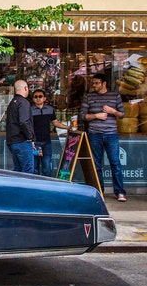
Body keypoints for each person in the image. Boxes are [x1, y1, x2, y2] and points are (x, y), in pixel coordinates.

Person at [79, 73, 127, 201]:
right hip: (94, 134)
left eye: (96, 83)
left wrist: (113, 112)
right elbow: (82, 116)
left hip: (111, 134)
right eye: (93, 83)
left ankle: (120, 192)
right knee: (96, 164)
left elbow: (122, 114)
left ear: (104, 83)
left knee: (115, 163)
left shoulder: (115, 96)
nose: (93, 85)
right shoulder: (88, 96)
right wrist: (96, 116)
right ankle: (99, 191)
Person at [30, 89, 70, 176]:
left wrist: (68, 127)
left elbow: (55, 122)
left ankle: (47, 186)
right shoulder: (29, 110)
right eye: (35, 97)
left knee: (47, 166)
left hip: (46, 142)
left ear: (44, 98)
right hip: (34, 142)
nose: (38, 98)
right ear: (33, 99)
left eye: (40, 96)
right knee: (34, 167)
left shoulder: (50, 109)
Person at [5, 79, 36, 174]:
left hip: (12, 141)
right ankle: (25, 189)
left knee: (18, 171)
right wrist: (30, 137)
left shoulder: (12, 102)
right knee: (27, 171)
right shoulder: (23, 102)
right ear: (26, 88)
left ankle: (16, 188)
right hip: (22, 141)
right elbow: (24, 121)